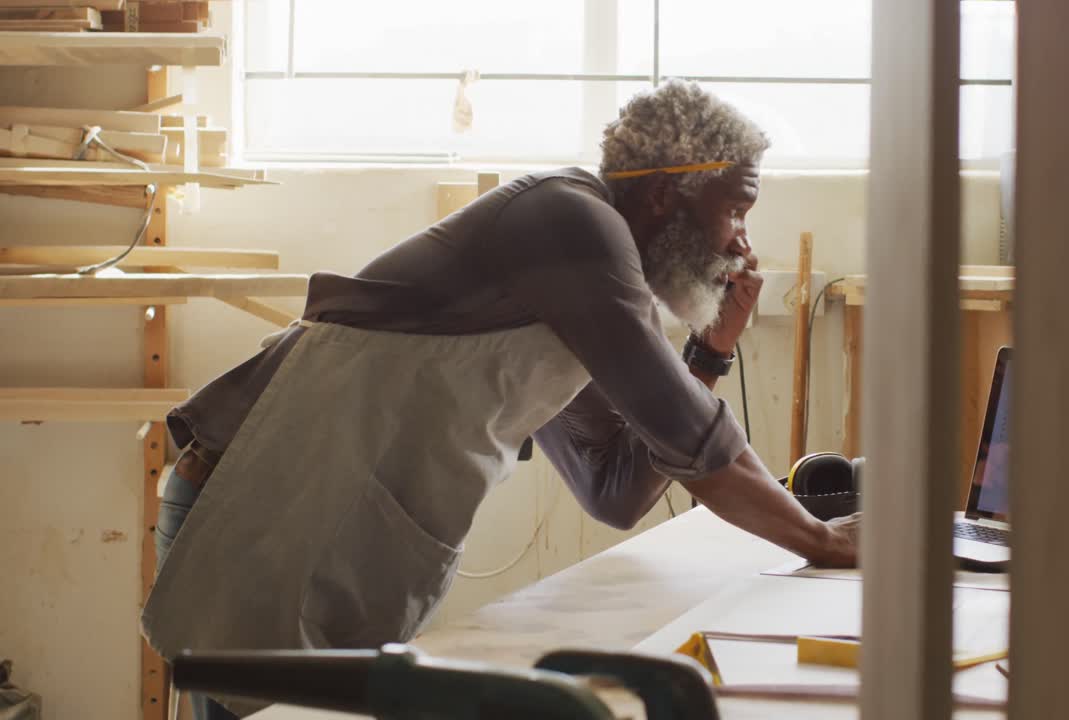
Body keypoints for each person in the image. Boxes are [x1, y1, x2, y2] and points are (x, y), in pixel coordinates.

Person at [142, 79, 861, 719]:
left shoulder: (584, 279)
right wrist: (822, 540)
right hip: (257, 505)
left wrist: (709, 351)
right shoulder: (569, 221)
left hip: (314, 523)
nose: (742, 243)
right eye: (736, 209)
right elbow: (689, 437)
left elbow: (615, 488)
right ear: (663, 196)